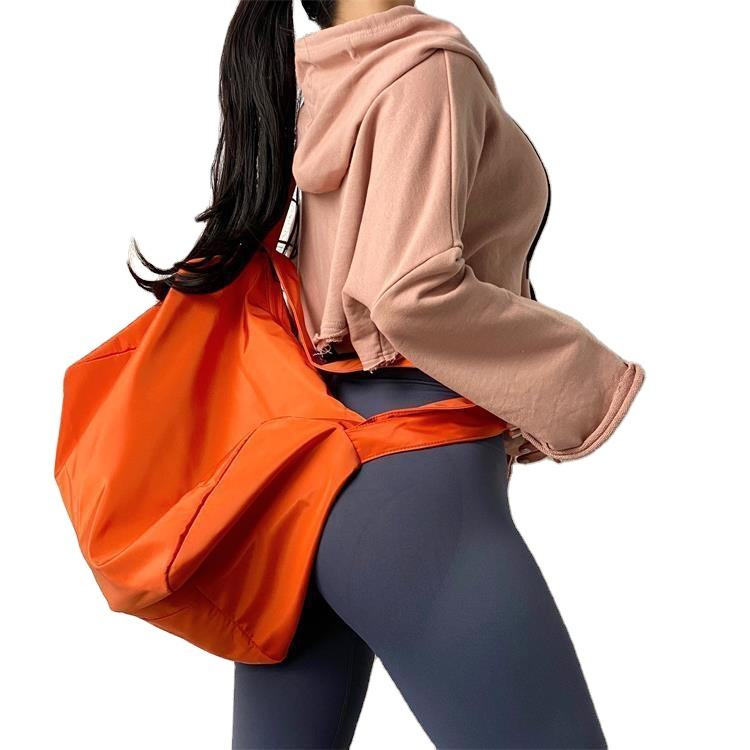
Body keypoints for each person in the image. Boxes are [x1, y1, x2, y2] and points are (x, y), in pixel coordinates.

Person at [131, 2, 644, 747]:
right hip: (418, 494)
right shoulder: (427, 69)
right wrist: (584, 377)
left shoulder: (322, 79)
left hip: (308, 487)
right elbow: (408, 294)